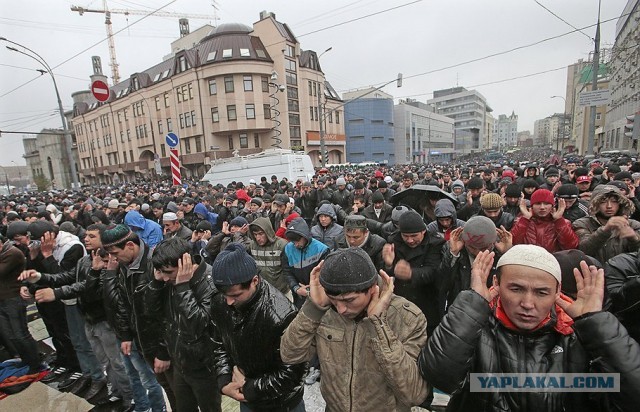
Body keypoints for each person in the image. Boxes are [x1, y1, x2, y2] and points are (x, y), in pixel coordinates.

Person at [419, 245, 640, 412]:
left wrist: (596, 322)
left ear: (557, 291)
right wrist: (472, 304)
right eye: (516, 289)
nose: (527, 303)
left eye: (541, 292)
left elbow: (632, 396)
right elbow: (440, 376)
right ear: (496, 284)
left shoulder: (577, 336)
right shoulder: (476, 327)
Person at [280, 248, 429, 411]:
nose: (341, 309)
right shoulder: (325, 311)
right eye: (334, 300)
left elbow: (414, 394)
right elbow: (290, 355)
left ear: (372, 288)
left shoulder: (408, 318)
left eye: (349, 300)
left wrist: (377, 325)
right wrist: (313, 310)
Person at [211, 243, 306, 412]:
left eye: (235, 295)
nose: (228, 302)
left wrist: (250, 387)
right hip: (246, 398)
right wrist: (224, 380)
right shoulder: (222, 301)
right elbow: (219, 342)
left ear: (255, 280)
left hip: (282, 404)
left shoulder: (282, 315)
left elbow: (293, 373)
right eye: (224, 295)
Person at [100, 224, 172, 411]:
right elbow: (123, 303)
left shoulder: (153, 265)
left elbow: (167, 313)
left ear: (130, 245)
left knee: (160, 385)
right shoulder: (125, 265)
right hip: (138, 338)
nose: (113, 259)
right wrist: (126, 334)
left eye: (116, 253)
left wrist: (163, 351)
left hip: (157, 343)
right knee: (141, 379)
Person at [146, 238, 221, 412]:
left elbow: (198, 326)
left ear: (184, 263)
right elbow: (151, 313)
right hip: (179, 362)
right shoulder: (168, 282)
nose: (165, 277)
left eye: (168, 272)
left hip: (205, 367)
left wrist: (183, 288)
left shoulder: (210, 283)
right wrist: (156, 284)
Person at [383, 210, 444, 336]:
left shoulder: (435, 243)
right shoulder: (394, 241)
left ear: (423, 231)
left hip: (427, 301)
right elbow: (386, 273)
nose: (410, 240)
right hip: (401, 301)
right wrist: (388, 264)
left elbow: (433, 271)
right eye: (406, 236)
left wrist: (411, 273)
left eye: (414, 236)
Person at [438, 216, 511, 317]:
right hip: (460, 312)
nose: (478, 253)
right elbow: (442, 285)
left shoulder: (499, 252)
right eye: (472, 248)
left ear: (492, 242)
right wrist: (453, 254)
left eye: (484, 248)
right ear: (464, 241)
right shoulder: (453, 249)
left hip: (493, 315)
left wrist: (506, 254)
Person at [0, 237, 42, 374]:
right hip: (3, 299)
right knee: (11, 335)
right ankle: (26, 360)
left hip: (13, 298)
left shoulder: (12, 253)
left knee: (21, 334)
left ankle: (35, 364)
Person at [573, 184, 640, 264]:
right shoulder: (582, 224)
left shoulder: (633, 225)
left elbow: (636, 257)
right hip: (595, 273)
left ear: (620, 204)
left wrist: (634, 239)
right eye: (603, 202)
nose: (609, 206)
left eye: (614, 201)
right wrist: (605, 230)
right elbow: (583, 250)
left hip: (624, 274)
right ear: (595, 204)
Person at [511, 189, 579, 253]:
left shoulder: (564, 223)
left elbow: (571, 246)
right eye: (538, 204)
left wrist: (559, 221)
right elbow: (512, 244)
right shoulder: (520, 221)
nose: (542, 207)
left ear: (552, 206)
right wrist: (525, 220)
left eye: (546, 204)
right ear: (532, 206)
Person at [283, 217, 330, 309]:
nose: (296, 245)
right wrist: (296, 288)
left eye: (298, 241)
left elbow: (325, 275)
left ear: (305, 236)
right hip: (299, 295)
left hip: (318, 294)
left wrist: (313, 289)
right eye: (293, 242)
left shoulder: (321, 250)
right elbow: (287, 272)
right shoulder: (287, 249)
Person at [248, 217, 291, 299]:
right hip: (262, 291)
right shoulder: (252, 245)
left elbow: (288, 270)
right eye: (255, 234)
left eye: (261, 234)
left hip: (282, 291)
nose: (258, 238)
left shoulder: (282, 245)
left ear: (267, 232)